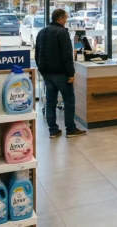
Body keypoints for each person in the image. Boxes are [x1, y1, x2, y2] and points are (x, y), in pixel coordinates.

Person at [35, 9, 86, 138]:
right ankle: (70, 129)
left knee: (50, 101)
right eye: (65, 18)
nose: (66, 21)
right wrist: (71, 73)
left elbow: (37, 54)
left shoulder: (41, 32)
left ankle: (53, 130)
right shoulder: (62, 32)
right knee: (69, 101)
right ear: (60, 19)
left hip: (47, 74)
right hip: (61, 74)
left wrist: (41, 70)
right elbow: (67, 55)